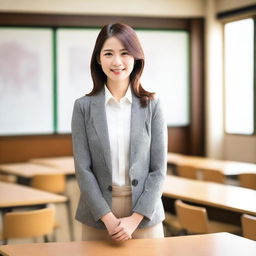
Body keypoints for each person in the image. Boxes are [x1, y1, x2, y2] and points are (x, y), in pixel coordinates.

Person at [71, 23, 167, 241]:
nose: (117, 61)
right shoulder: (83, 107)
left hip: (145, 214)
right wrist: (108, 218)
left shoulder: (152, 105)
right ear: (98, 59)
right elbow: (83, 170)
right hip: (98, 216)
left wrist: (135, 220)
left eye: (125, 53)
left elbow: (158, 170)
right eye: (108, 54)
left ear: (136, 57)